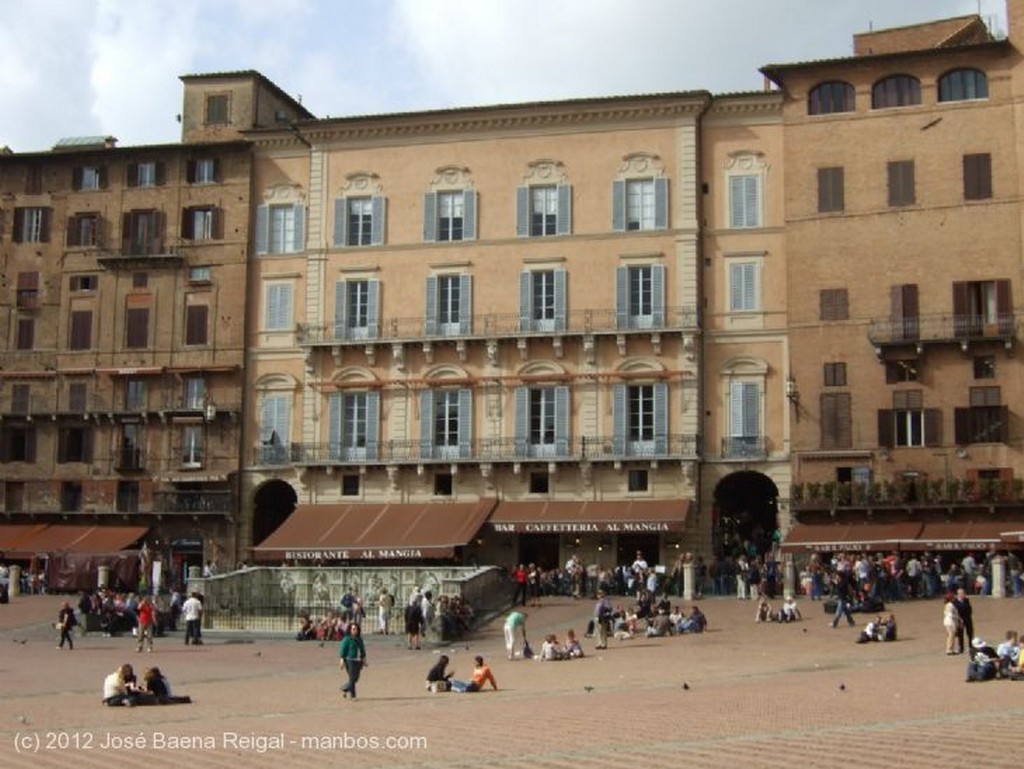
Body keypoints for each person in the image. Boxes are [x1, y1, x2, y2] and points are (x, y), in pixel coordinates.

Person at [338, 622, 367, 699]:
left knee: (355, 679)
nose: (355, 630)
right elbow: (342, 650)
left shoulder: (359, 639)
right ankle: (353, 696)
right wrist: (342, 661)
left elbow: (362, 650)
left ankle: (345, 688)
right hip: (349, 660)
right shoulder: (347, 639)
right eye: (353, 629)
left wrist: (364, 660)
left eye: (356, 629)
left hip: (358, 661)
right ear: (350, 630)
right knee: (351, 678)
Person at [953, 587, 974, 655]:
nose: (963, 594)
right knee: (960, 635)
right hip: (960, 620)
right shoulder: (955, 602)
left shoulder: (966, 600)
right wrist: (959, 619)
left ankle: (971, 646)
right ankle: (961, 648)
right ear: (958, 594)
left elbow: (969, 609)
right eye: (961, 593)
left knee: (970, 633)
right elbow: (956, 612)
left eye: (963, 593)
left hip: (968, 619)